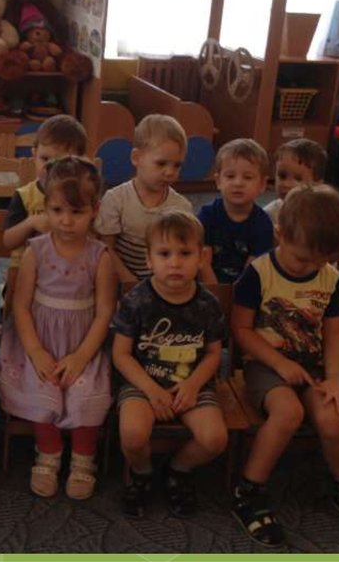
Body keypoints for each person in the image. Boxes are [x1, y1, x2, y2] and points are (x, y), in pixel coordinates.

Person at [231, 185, 339, 547]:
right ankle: (248, 491)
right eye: (302, 259)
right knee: (288, 413)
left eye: (320, 260)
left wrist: (335, 378)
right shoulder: (258, 273)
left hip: (312, 366)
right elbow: (241, 330)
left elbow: (335, 332)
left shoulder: (329, 278)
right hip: (265, 365)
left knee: (332, 417)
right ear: (279, 234)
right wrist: (279, 363)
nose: (312, 267)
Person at [0, 157, 115, 499]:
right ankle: (48, 453)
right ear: (45, 206)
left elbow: (104, 313)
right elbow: (20, 306)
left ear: (94, 209)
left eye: (76, 212)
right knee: (42, 388)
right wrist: (35, 351)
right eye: (57, 210)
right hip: (39, 339)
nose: (65, 220)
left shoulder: (100, 256)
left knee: (84, 394)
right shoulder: (36, 251)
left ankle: (83, 459)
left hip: (83, 343)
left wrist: (81, 356)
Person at [112, 210, 229, 518]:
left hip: (192, 384)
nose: (175, 263)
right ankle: (142, 473)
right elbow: (121, 354)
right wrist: (152, 390)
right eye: (164, 254)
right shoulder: (136, 300)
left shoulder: (208, 303)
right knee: (133, 434)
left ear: (201, 257)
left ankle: (178, 470)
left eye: (185, 253)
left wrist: (192, 385)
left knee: (215, 439)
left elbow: (214, 353)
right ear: (149, 259)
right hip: (142, 383)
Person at [97, 114, 193, 284]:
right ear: (136, 158)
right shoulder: (116, 199)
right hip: (121, 279)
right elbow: (106, 248)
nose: (170, 172)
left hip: (163, 281)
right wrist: (129, 281)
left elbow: (182, 253)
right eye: (161, 163)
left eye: (177, 165)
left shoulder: (181, 207)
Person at [2, 114, 89, 266]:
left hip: (68, 267)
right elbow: (7, 242)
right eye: (45, 159)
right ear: (34, 155)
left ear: (78, 162)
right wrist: (30, 222)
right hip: (24, 268)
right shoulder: (24, 195)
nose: (50, 167)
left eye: (61, 162)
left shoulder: (82, 196)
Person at [198, 138, 274, 284]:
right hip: (207, 283)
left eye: (247, 177)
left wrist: (234, 293)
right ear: (218, 181)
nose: (238, 183)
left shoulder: (263, 224)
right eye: (230, 176)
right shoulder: (206, 216)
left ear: (262, 185)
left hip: (243, 287)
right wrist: (216, 291)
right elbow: (202, 264)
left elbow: (252, 273)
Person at [263, 138, 328, 225]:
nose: (286, 184)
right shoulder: (270, 215)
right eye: (282, 176)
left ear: (318, 184)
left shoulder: (323, 214)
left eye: (298, 179)